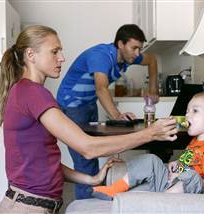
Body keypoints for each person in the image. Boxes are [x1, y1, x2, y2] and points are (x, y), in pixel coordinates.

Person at [0, 25, 178, 213]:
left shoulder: (27, 91)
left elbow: (44, 161)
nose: (62, 58)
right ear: (31, 55)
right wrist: (150, 134)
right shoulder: (34, 93)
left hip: (32, 204)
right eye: (54, 51)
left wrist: (91, 179)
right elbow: (88, 148)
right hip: (27, 208)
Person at [56, 24, 159, 199]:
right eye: (134, 48)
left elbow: (152, 60)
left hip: (89, 104)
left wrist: (153, 88)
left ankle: (95, 199)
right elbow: (101, 89)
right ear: (120, 44)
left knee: (93, 154)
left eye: (139, 49)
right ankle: (86, 206)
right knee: (85, 159)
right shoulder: (101, 56)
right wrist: (118, 116)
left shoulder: (129, 57)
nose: (137, 53)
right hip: (71, 105)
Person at [91, 92, 204, 200]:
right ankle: (116, 190)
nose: (187, 115)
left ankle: (162, 201)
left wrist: (184, 175)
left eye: (195, 111)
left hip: (189, 191)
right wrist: (177, 165)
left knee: (193, 176)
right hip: (169, 184)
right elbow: (185, 164)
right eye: (187, 111)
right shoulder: (195, 143)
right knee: (151, 159)